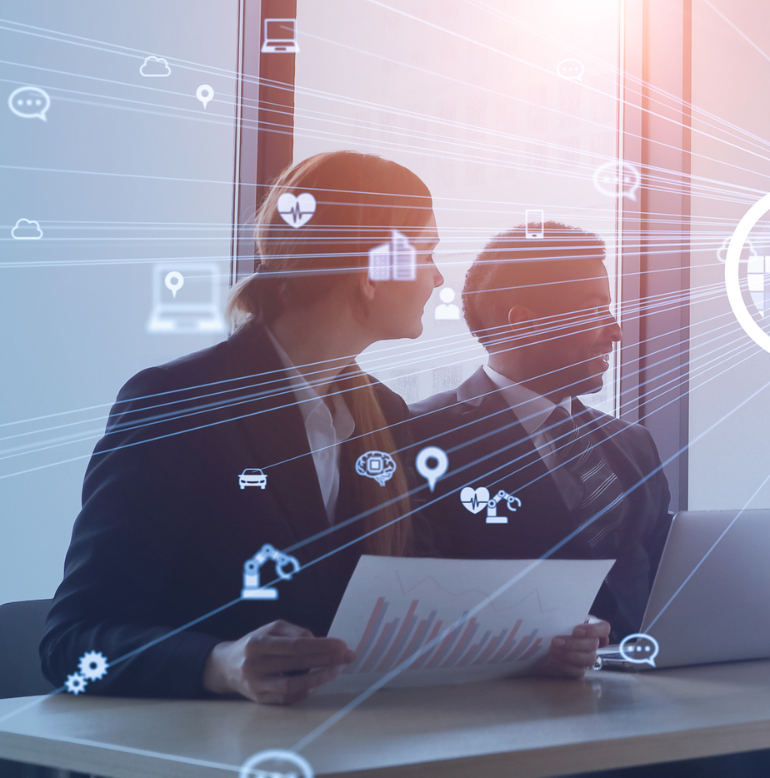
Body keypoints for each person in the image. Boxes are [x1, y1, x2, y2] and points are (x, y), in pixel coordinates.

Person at [41, 151, 604, 703]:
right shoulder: (179, 402)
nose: (437, 277)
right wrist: (220, 664)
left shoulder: (383, 413)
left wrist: (529, 648)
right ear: (372, 271)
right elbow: (71, 641)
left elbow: (411, 607)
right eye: (427, 253)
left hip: (348, 746)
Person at [408, 222, 770, 778]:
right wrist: (521, 648)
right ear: (523, 323)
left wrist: (753, 617)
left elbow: (660, 581)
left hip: (650, 706)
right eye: (595, 309)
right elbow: (410, 591)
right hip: (513, 725)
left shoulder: (629, 443)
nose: (616, 332)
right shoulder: (422, 437)